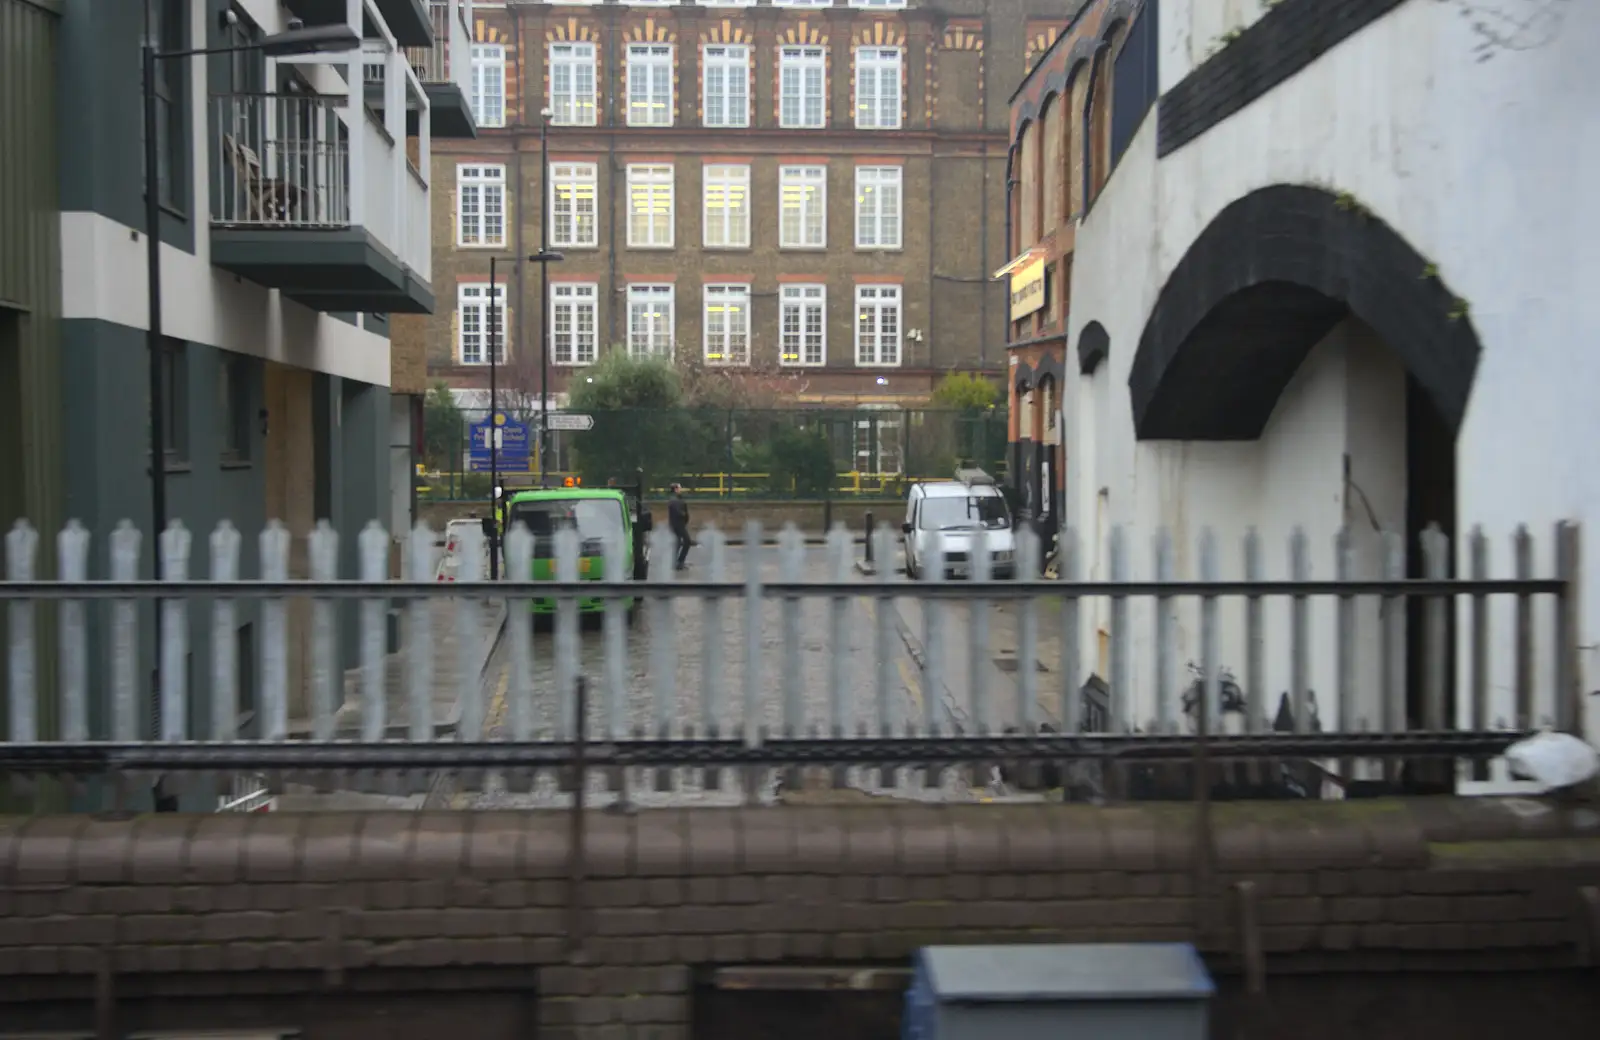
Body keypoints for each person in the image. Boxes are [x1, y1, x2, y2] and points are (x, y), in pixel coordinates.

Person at [668, 483, 691, 570]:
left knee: (677, 543)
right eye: (680, 488)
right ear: (676, 489)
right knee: (687, 541)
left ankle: (675, 562)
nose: (681, 490)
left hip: (676, 524)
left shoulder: (674, 499)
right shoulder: (675, 500)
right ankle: (680, 562)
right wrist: (685, 516)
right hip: (678, 524)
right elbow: (680, 512)